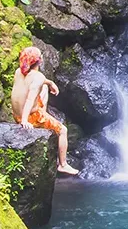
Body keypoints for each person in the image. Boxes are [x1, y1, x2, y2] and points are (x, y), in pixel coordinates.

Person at [12, 46, 79, 176]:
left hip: (16, 113)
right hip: (31, 116)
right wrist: (25, 120)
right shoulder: (38, 78)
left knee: (43, 88)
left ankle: (38, 112)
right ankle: (63, 164)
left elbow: (33, 85)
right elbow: (30, 99)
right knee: (63, 130)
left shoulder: (18, 72)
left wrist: (49, 83)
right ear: (39, 61)